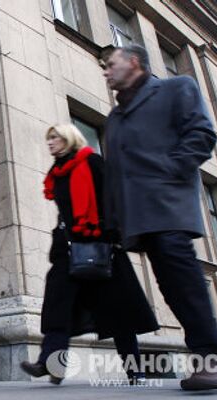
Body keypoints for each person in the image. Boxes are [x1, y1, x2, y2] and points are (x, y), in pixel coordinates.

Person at [102, 44, 217, 390]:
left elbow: (202, 134)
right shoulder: (115, 117)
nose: (106, 70)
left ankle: (210, 360)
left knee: (184, 283)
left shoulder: (175, 88)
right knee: (171, 286)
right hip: (140, 217)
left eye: (111, 64)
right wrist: (112, 221)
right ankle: (205, 354)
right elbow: (115, 171)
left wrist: (170, 170)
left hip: (169, 205)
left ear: (133, 62)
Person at [20, 124, 159, 384]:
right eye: (48, 138)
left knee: (119, 314)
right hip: (69, 249)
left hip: (102, 245)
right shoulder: (56, 173)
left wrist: (114, 234)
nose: (49, 143)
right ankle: (50, 364)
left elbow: (114, 197)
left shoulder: (92, 162)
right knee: (57, 307)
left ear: (69, 138)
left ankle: (135, 371)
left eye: (55, 138)